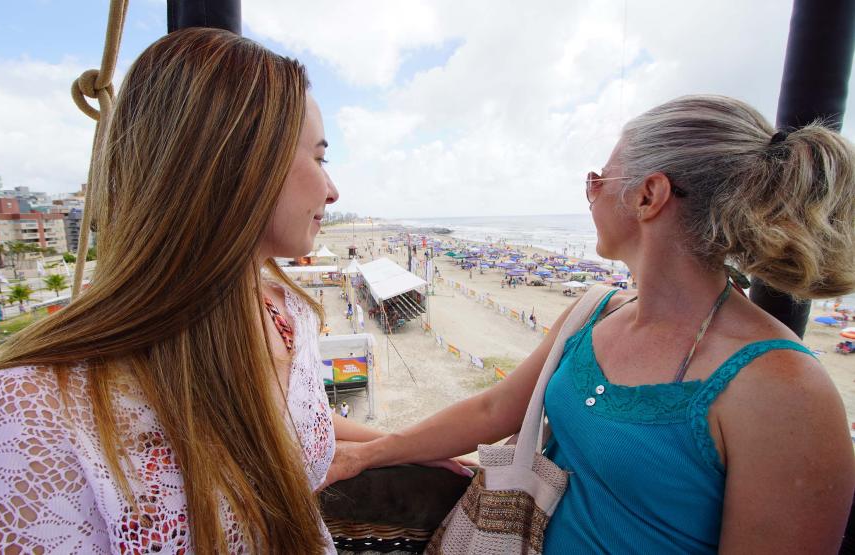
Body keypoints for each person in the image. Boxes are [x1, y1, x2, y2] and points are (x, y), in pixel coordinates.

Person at [0, 28, 467, 555]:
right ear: (239, 164)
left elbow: (291, 419)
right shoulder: (23, 422)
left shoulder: (288, 318)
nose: (333, 190)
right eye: (320, 158)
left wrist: (405, 447)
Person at [325, 95, 855, 553]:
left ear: (649, 196)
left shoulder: (782, 389)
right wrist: (371, 452)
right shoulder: (596, 310)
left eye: (598, 179)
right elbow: (492, 408)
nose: (591, 192)